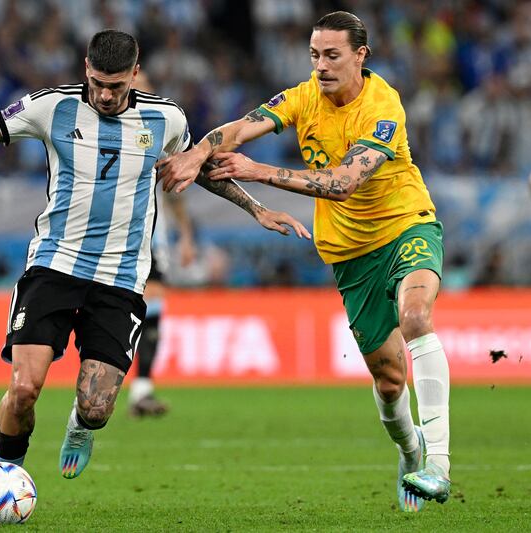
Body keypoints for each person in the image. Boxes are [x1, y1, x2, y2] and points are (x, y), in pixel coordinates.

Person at [0, 29, 310, 480]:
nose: (106, 96)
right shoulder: (50, 106)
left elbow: (198, 169)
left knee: (96, 409)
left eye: (116, 85)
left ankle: (80, 427)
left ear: (134, 73)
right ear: (85, 69)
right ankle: (6, 471)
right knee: (25, 388)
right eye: (97, 83)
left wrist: (257, 208)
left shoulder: (166, 119)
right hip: (55, 264)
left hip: (121, 276)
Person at [157, 11, 451, 511]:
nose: (321, 66)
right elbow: (240, 128)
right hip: (350, 253)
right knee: (388, 379)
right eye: (315, 55)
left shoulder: (382, 107)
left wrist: (260, 172)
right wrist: (194, 153)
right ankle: (410, 449)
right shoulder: (302, 97)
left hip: (406, 225)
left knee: (416, 316)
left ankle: (438, 465)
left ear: (361, 55)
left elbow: (342, 183)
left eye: (332, 55)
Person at [128, 72, 197, 417]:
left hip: (150, 240)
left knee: (151, 311)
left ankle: (141, 389)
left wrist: (185, 236)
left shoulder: (158, 132)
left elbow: (174, 191)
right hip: (108, 240)